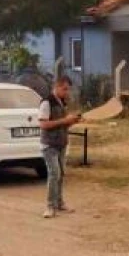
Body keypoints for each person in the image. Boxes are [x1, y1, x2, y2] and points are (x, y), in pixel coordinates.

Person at [38, 75, 81, 219]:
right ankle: (50, 206)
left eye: (68, 89)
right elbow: (44, 124)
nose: (67, 92)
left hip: (62, 143)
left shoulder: (62, 102)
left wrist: (72, 121)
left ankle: (59, 203)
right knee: (54, 173)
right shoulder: (46, 103)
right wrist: (65, 120)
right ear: (56, 86)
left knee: (61, 174)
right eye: (64, 89)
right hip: (49, 145)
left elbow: (63, 123)